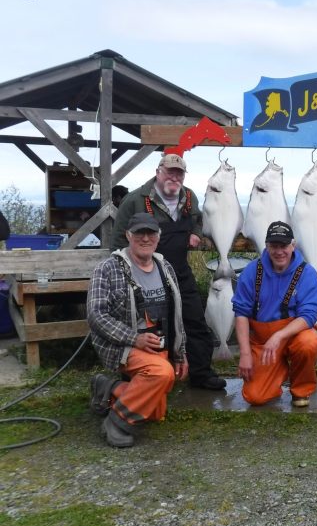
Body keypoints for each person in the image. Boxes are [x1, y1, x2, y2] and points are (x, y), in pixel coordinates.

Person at [113, 153, 226, 390]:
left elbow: (197, 218)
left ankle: (200, 373)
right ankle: (147, 375)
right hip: (145, 275)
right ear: (158, 172)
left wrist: (195, 232)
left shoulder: (188, 196)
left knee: (195, 320)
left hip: (180, 272)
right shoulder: (134, 200)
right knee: (150, 326)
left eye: (179, 173)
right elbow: (117, 241)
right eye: (170, 172)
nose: (174, 177)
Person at [87, 213, 188, 447]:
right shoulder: (107, 268)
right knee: (161, 374)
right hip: (121, 346)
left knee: (155, 411)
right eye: (139, 233)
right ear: (128, 236)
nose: (145, 238)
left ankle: (109, 388)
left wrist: (180, 353)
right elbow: (96, 315)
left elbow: (177, 315)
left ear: (158, 237)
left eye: (151, 233)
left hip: (158, 345)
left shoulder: (166, 267)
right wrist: (135, 338)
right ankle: (117, 421)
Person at [232, 221, 317, 407]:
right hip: (263, 343)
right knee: (255, 397)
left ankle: (301, 390)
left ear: (293, 245)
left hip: (294, 335)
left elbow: (309, 314)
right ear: (266, 246)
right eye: (274, 246)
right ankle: (278, 370)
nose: (279, 251)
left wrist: (279, 335)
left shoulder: (307, 273)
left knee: (309, 343)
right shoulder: (251, 271)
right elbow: (241, 313)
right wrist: (245, 353)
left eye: (284, 246)